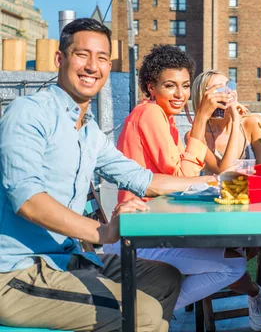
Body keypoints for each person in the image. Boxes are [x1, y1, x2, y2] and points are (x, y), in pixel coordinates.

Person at [0, 18, 212, 331]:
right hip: (16, 272)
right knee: (142, 314)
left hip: (69, 259)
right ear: (60, 59)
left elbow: (144, 180)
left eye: (101, 58)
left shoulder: (89, 131)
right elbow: (28, 200)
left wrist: (214, 182)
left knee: (165, 278)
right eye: (82, 55)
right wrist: (103, 232)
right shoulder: (29, 112)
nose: (92, 66)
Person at [107, 46, 261, 331]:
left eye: (184, 86)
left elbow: (183, 177)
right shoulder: (150, 115)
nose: (179, 94)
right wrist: (201, 120)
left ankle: (148, 310)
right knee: (232, 264)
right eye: (170, 86)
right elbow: (183, 175)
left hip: (156, 224)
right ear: (151, 87)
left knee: (231, 251)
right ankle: (141, 314)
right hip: (140, 235)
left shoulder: (163, 118)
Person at [186, 70, 261, 174]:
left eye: (230, 85)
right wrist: (235, 122)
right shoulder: (195, 135)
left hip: (250, 189)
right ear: (204, 97)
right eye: (219, 89)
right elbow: (224, 173)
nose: (229, 91)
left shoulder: (252, 123)